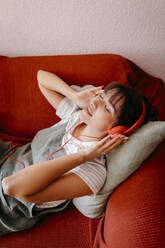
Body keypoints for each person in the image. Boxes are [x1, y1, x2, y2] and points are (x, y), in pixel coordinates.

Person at [1, 70, 157, 210]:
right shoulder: (74, 115)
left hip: (5, 205)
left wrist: (85, 156)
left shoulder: (92, 172)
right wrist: (74, 95)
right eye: (101, 96)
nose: (95, 102)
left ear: (117, 130)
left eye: (106, 108)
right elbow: (41, 77)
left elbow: (11, 186)